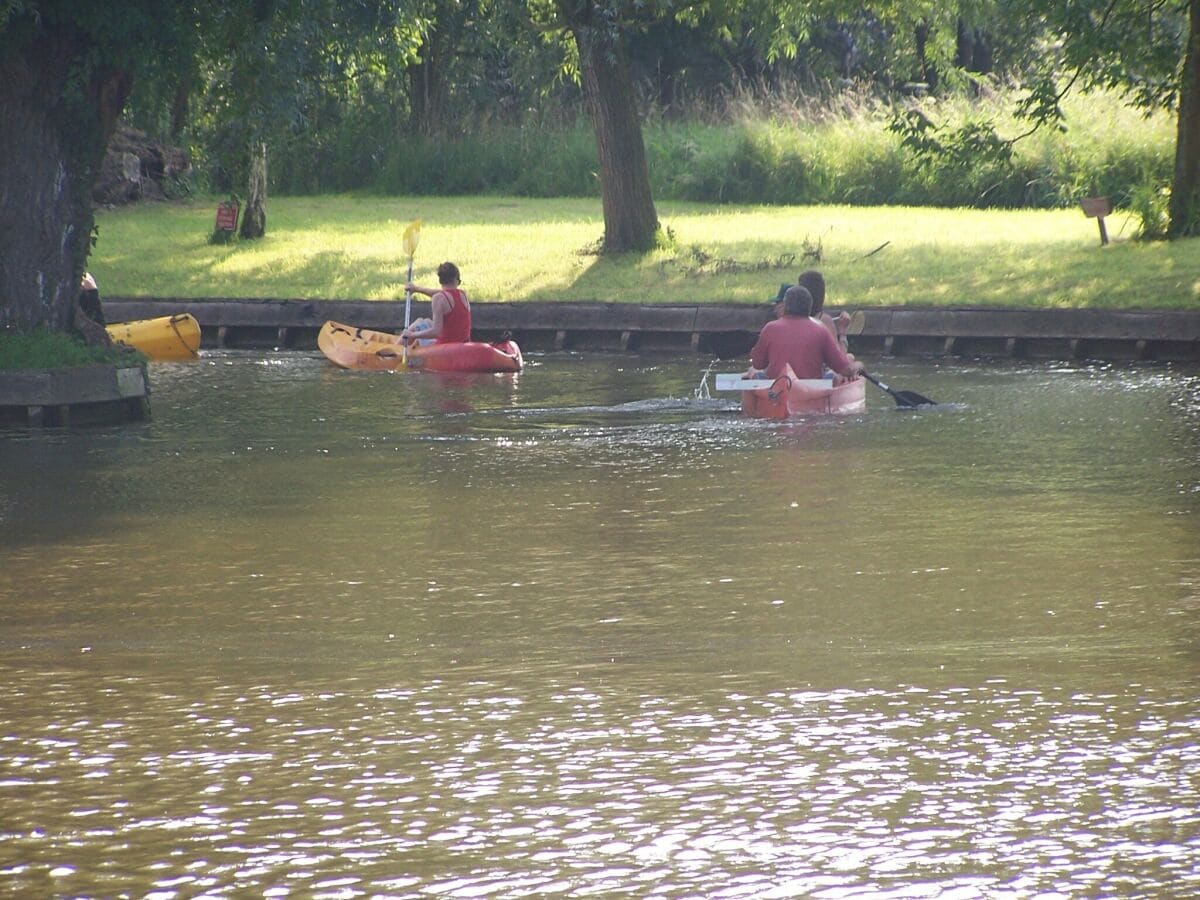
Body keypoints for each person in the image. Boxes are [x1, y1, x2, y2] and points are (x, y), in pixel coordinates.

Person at [747, 285, 863, 382]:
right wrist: (859, 366)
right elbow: (845, 370)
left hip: (775, 392)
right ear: (809, 306)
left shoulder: (769, 328)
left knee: (753, 371)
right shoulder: (821, 329)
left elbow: (757, 364)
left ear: (786, 306)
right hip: (811, 392)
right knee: (845, 364)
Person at [398, 261, 471, 344]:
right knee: (427, 321)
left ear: (440, 280)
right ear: (456, 280)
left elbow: (436, 332)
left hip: (444, 347)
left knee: (418, 323)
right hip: (462, 344)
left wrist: (413, 335)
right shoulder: (463, 294)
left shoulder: (438, 299)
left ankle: (392, 351)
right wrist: (417, 289)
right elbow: (444, 293)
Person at [796, 269, 852, 353]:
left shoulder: (793, 319)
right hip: (819, 365)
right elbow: (840, 361)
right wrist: (842, 331)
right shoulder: (824, 321)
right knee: (855, 362)